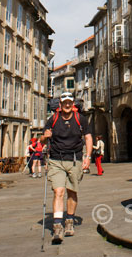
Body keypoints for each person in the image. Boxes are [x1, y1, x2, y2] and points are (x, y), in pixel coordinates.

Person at [40, 92, 92, 244]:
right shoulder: (53, 119)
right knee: (58, 191)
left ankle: (69, 220)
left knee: (72, 191)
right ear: (61, 104)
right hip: (56, 159)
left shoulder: (80, 119)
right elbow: (42, 140)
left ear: (73, 104)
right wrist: (45, 136)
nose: (68, 105)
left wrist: (87, 157)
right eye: (65, 103)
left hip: (75, 159)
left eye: (70, 102)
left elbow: (88, 138)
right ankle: (57, 226)